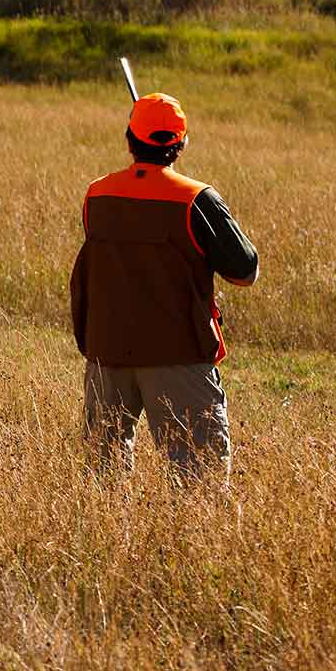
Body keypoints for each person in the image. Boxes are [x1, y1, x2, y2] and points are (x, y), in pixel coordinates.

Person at [69, 92, 259, 481]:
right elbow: (245, 271)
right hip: (178, 356)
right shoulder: (195, 199)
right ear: (181, 144)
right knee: (199, 485)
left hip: (107, 354)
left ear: (128, 139)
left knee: (103, 484)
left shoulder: (97, 195)